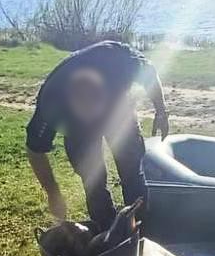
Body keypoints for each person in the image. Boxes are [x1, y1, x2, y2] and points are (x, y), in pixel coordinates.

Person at [25, 41, 169, 226]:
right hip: (78, 129)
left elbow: (150, 73)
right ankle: (105, 230)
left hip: (119, 114)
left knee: (131, 170)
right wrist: (53, 193)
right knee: (93, 181)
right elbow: (34, 149)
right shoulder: (53, 100)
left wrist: (161, 111)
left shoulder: (119, 60)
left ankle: (140, 227)